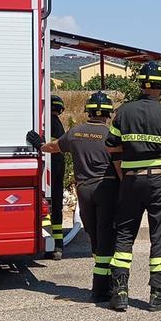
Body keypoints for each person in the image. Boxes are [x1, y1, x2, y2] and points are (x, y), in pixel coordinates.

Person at [105, 62, 161, 312]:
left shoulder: (123, 113)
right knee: (159, 234)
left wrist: (132, 149)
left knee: (124, 233)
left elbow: (111, 146)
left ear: (140, 83)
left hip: (130, 180)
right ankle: (158, 293)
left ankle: (119, 292)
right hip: (157, 181)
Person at [46, 91, 118, 303]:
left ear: (87, 111)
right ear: (109, 113)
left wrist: (37, 145)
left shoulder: (75, 132)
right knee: (108, 236)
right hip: (105, 188)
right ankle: (103, 288)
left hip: (83, 191)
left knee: (94, 235)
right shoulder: (112, 134)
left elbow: (54, 147)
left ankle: (100, 285)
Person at [46, 94, 67, 259]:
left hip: (50, 172)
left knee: (49, 207)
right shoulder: (58, 124)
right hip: (57, 172)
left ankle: (53, 244)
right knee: (56, 209)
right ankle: (58, 246)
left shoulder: (47, 123)